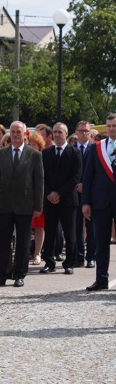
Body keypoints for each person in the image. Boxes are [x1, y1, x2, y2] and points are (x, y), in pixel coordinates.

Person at [0, 121, 44, 288]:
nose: (16, 134)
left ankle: (19, 274)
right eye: (13, 132)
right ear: (10, 134)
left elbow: (38, 182)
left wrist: (38, 206)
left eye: (19, 131)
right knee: (3, 242)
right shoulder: (1, 154)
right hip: (4, 205)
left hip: (25, 205)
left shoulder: (34, 155)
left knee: (23, 242)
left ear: (25, 134)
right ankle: (0, 276)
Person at [40, 122, 81, 276]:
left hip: (68, 200)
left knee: (70, 233)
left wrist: (59, 193)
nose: (57, 135)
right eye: (55, 132)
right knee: (49, 232)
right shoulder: (46, 153)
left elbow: (75, 178)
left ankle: (69, 263)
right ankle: (49, 263)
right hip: (50, 200)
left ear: (66, 133)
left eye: (60, 132)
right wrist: (50, 193)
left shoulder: (75, 153)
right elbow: (42, 176)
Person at [81, 113, 116, 291]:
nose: (111, 128)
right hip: (100, 201)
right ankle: (101, 279)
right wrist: (86, 202)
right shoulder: (97, 147)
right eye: (109, 125)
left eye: (114, 126)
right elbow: (88, 177)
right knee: (101, 243)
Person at [74, 121, 95, 268]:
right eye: (81, 131)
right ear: (76, 131)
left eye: (86, 131)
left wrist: (86, 186)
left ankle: (91, 257)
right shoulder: (70, 149)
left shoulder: (95, 149)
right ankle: (79, 256)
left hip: (91, 194)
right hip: (74, 193)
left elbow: (98, 173)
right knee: (76, 227)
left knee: (91, 227)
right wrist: (76, 186)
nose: (84, 133)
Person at [27, 132, 46, 265]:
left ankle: (37, 253)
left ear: (40, 147)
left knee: (39, 227)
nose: (32, 147)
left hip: (39, 197)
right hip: (25, 197)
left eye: (34, 145)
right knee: (25, 227)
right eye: (30, 144)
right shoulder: (23, 158)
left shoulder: (42, 158)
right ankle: (24, 252)